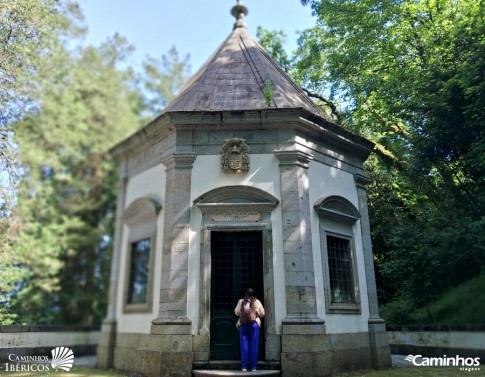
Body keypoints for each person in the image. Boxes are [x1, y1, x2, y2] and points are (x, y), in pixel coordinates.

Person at [234, 288, 265, 372]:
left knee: (244, 346)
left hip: (243, 324)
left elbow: (236, 312)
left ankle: (244, 367)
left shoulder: (241, 301)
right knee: (254, 346)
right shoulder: (257, 301)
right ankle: (253, 367)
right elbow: (262, 314)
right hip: (254, 325)